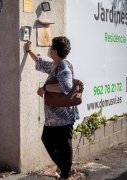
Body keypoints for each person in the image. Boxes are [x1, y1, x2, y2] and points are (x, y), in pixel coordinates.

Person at [25, 36, 80, 179]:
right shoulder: (55, 64)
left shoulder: (63, 66)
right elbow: (41, 63)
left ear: (54, 51)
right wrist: (29, 51)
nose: (49, 49)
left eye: (51, 47)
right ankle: (65, 169)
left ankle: (65, 173)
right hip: (52, 118)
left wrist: (45, 88)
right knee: (47, 139)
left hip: (63, 117)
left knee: (64, 146)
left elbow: (66, 86)